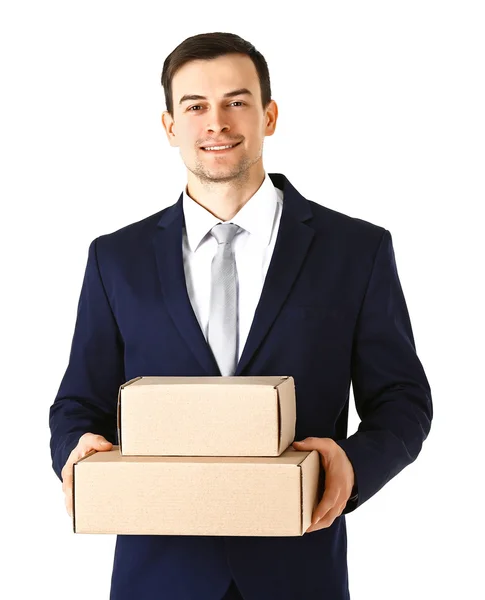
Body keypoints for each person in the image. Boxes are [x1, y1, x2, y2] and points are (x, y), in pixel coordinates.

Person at [49, 32, 433, 600]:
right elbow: (79, 401)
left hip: (299, 568)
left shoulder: (356, 249)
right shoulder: (115, 258)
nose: (216, 122)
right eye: (195, 106)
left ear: (269, 115)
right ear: (169, 126)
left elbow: (404, 399)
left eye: (236, 101)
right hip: (158, 573)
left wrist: (353, 466)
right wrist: (76, 451)